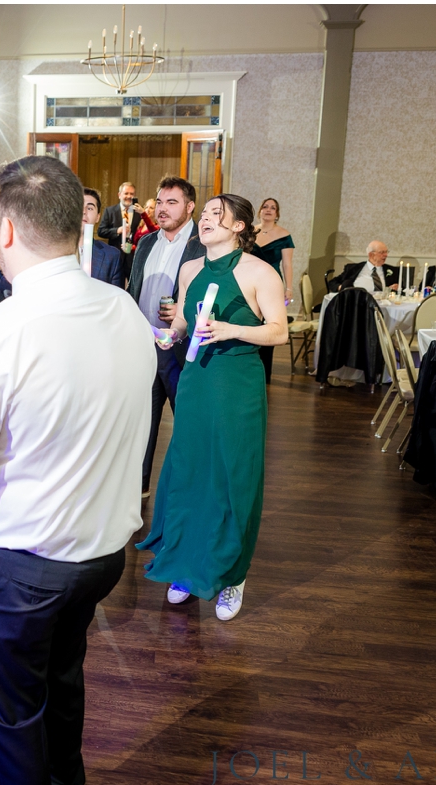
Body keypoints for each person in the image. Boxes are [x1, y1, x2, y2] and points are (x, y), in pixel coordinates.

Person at [0, 155, 155, 785]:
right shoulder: (125, 313)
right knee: (60, 678)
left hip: (22, 566)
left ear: (3, 231)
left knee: (7, 713)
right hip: (103, 555)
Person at [138, 194, 288, 622]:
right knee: (190, 472)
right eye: (202, 214)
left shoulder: (261, 272)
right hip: (197, 380)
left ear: (239, 225)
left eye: (215, 214)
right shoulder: (190, 269)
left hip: (237, 383)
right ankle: (186, 568)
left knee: (231, 476)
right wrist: (168, 334)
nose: (205, 219)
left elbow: (279, 333)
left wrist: (228, 329)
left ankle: (231, 575)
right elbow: (185, 322)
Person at [127, 176, 206, 497]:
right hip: (143, 346)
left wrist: (185, 316)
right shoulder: (145, 242)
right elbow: (133, 289)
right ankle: (138, 487)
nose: (162, 208)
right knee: (141, 422)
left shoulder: (203, 245)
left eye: (171, 202)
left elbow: (210, 299)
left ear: (190, 207)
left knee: (187, 421)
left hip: (180, 350)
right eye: (159, 202)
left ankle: (190, 490)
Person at [249, 198, 295, 383]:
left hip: (272, 284)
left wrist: (289, 288)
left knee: (269, 324)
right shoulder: (250, 232)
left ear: (277, 214)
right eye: (265, 207)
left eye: (273, 208)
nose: (268, 210)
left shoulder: (284, 235)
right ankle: (249, 367)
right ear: (260, 211)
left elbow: (287, 264)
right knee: (251, 322)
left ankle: (264, 373)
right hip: (249, 281)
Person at [98, 181, 140, 282]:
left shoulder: (138, 213)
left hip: (132, 258)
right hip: (115, 256)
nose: (129, 196)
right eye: (126, 193)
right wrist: (118, 230)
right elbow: (101, 231)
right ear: (119, 195)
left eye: (131, 194)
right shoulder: (110, 211)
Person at [81, 188, 124, 287]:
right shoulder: (53, 252)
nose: (84, 211)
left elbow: (116, 298)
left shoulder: (111, 256)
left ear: (97, 217)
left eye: (90, 208)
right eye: (79, 206)